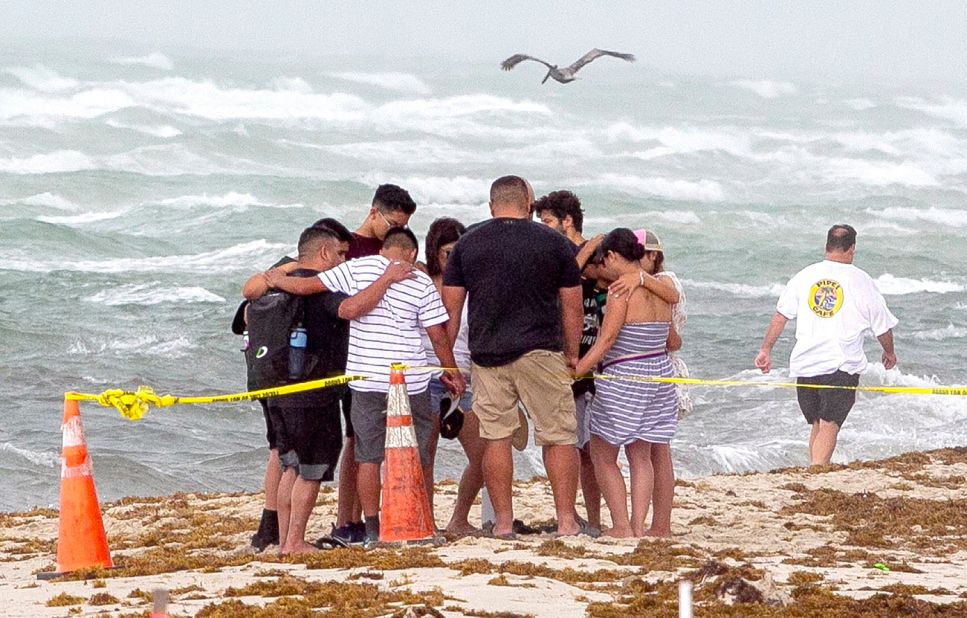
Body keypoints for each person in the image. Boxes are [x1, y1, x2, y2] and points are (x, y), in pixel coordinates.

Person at [245, 184, 418, 546]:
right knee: (310, 469)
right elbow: (350, 310)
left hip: (274, 386)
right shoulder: (323, 288)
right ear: (325, 251)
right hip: (315, 389)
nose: (344, 262)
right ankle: (294, 542)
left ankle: (281, 540)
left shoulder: (278, 281)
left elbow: (247, 306)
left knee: (290, 463)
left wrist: (279, 273)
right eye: (340, 255)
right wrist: (387, 279)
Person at [269, 227, 465, 545]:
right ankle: (418, 520)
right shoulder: (420, 281)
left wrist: (276, 279)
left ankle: (373, 528)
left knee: (368, 457)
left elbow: (307, 286)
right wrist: (451, 370)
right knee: (416, 456)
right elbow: (437, 334)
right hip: (411, 382)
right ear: (412, 255)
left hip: (366, 379)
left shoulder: (356, 268)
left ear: (383, 250)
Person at [443, 175, 584, 538]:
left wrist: (448, 362)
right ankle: (567, 520)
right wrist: (572, 352)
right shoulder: (554, 243)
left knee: (496, 438)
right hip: (541, 350)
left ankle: (503, 523)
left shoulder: (467, 244)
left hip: (487, 355)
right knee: (558, 436)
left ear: (492, 207)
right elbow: (572, 304)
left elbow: (451, 311)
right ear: (528, 206)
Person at [755, 224, 898, 466]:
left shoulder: (804, 276)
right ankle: (817, 471)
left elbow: (781, 317)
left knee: (819, 424)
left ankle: (815, 470)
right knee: (829, 424)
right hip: (840, 365)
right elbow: (882, 327)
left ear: (827, 246)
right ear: (852, 248)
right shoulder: (861, 280)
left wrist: (766, 350)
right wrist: (889, 352)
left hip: (806, 362)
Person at [575, 228, 680, 538]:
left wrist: (578, 370)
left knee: (602, 454)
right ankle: (638, 525)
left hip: (624, 378)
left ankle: (621, 525)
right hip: (658, 375)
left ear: (611, 256)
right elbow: (672, 335)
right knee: (641, 455)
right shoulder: (662, 288)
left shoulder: (621, 291)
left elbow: (605, 341)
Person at [534, 190, 602, 533]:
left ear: (567, 221)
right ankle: (571, 514)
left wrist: (588, 251)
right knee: (567, 443)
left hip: (595, 356)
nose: (542, 228)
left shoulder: (595, 252)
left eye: (546, 221)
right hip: (560, 357)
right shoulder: (551, 253)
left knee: (591, 447)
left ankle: (594, 517)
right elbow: (549, 286)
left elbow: (576, 279)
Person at [421, 217, 486, 534]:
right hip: (429, 375)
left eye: (459, 253)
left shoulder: (471, 284)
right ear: (434, 251)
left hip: (466, 378)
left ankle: (459, 518)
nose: (453, 259)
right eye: (448, 253)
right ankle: (426, 522)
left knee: (484, 454)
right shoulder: (421, 282)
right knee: (426, 456)